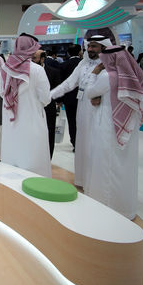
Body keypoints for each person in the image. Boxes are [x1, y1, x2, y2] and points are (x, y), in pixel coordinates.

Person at [84, 45, 143, 219]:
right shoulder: (132, 76)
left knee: (107, 164)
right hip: (127, 126)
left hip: (108, 125)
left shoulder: (106, 76)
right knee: (123, 165)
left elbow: (90, 92)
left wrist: (94, 74)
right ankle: (124, 206)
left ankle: (106, 205)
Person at [50, 34, 109, 187]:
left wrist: (102, 96)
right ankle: (82, 179)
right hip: (83, 107)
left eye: (94, 46)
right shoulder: (83, 63)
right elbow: (69, 83)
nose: (90, 49)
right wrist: (50, 96)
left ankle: (96, 181)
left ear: (103, 47)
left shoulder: (108, 64)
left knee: (95, 143)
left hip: (100, 110)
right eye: (89, 46)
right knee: (82, 141)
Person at [0, 34, 52, 177]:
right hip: (32, 118)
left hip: (10, 118)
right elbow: (46, 98)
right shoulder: (37, 70)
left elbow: (1, 93)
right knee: (32, 155)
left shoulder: (5, 68)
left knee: (12, 153)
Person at [34, 49, 61, 159]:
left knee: (49, 133)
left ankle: (48, 158)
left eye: (35, 58)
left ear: (42, 59)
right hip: (33, 108)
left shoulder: (53, 72)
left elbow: (57, 90)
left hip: (49, 108)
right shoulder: (27, 72)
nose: (32, 60)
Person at [58, 44, 82, 152]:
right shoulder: (84, 65)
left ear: (68, 53)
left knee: (72, 121)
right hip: (84, 98)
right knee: (84, 121)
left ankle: (75, 142)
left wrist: (60, 100)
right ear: (79, 52)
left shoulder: (64, 65)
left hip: (69, 99)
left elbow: (61, 83)